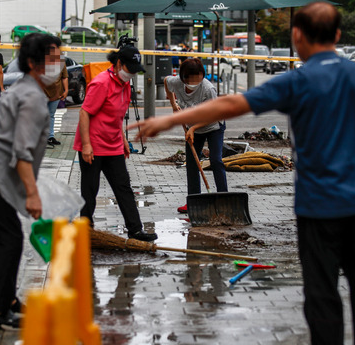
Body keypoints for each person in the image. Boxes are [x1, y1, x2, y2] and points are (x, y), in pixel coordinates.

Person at [131, 2, 355, 345]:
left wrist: (167, 121)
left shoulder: (296, 81)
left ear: (297, 36)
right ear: (338, 36)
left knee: (322, 296)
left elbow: (231, 105)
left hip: (317, 209)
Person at [0, 33, 61, 330]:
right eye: (52, 58)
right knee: (11, 240)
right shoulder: (31, 96)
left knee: (6, 237)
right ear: (33, 63)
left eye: (59, 57)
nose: (58, 64)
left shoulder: (29, 89)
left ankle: (6, 300)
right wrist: (32, 194)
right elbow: (21, 152)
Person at [73, 45, 158, 242]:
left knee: (123, 187)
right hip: (93, 146)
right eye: (130, 69)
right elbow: (84, 112)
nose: (132, 74)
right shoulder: (102, 83)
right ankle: (85, 230)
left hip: (113, 146)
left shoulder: (124, 85)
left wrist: (123, 140)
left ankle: (135, 230)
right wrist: (86, 145)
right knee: (90, 190)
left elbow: (117, 117)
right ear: (119, 64)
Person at [164, 58, 227, 213]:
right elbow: (166, 81)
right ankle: (194, 200)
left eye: (198, 78)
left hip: (213, 125)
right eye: (191, 79)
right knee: (192, 163)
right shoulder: (177, 83)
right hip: (193, 127)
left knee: (216, 160)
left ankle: (224, 200)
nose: (194, 82)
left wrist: (193, 129)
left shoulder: (208, 89)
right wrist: (173, 105)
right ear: (183, 77)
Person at [43, 59, 68, 146]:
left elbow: (64, 77)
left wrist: (66, 90)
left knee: (51, 115)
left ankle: (50, 136)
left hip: (56, 94)